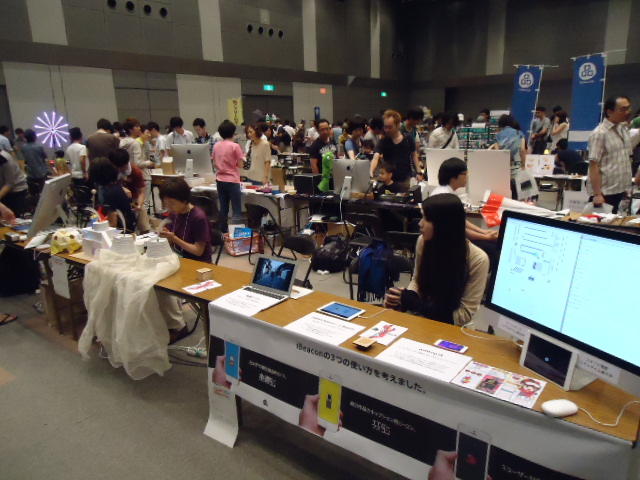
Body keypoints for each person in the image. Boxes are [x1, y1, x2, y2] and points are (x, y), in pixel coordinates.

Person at [384, 194, 489, 326]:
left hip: (452, 327)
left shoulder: (478, 260)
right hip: (422, 316)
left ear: (443, 224)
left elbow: (464, 314)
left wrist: (416, 305)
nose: (420, 223)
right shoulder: (423, 241)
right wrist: (404, 298)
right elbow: (417, 280)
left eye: (426, 219)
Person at [432, 158, 498, 270]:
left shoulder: (444, 192)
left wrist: (484, 232)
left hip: (449, 239)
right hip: (449, 244)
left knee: (491, 243)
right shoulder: (447, 198)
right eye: (465, 174)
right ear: (454, 177)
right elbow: (460, 230)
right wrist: (486, 236)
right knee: (494, 249)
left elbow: (460, 221)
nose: (467, 177)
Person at [588, 96, 640, 212]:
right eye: (623, 109)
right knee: (599, 222)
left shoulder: (622, 129)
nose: (628, 112)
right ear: (609, 112)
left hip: (621, 190)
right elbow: (593, 165)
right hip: (605, 193)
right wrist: (597, 194)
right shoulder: (600, 133)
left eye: (629, 108)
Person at [158, 178, 212, 262]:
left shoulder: (198, 217)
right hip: (179, 258)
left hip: (198, 262)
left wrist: (174, 238)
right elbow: (171, 244)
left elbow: (198, 251)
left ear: (184, 200)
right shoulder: (174, 213)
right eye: (166, 203)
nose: (169, 207)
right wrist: (167, 236)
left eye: (172, 203)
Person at [370, 110, 422, 192]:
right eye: (385, 127)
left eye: (390, 127)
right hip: (388, 181)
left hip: (404, 180)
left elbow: (414, 155)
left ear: (398, 125)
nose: (387, 130)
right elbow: (375, 157)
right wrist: (371, 171)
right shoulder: (383, 141)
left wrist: (419, 172)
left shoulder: (408, 139)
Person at [213, 120, 245, 233]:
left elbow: (214, 162)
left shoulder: (216, 146)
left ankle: (223, 233)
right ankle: (237, 235)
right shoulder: (235, 146)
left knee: (223, 208)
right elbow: (241, 165)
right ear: (233, 132)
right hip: (232, 180)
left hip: (220, 180)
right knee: (236, 210)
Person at [108, 148, 150, 233]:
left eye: (122, 167)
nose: (120, 170)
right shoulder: (110, 171)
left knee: (142, 216)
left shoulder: (135, 171)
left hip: (133, 200)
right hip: (115, 200)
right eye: (117, 167)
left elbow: (141, 192)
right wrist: (121, 189)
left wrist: (139, 204)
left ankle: (145, 234)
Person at [90, 157, 136, 233]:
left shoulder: (108, 193)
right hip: (128, 225)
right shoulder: (114, 186)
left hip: (121, 232)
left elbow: (112, 224)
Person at [491, 114, 526, 198]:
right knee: (519, 191)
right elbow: (522, 150)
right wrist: (523, 165)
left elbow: (497, 152)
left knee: (504, 193)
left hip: (503, 168)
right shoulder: (519, 133)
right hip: (516, 167)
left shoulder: (497, 135)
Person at [22, 129, 49, 198]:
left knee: (33, 193)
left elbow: (25, 159)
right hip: (41, 172)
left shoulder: (24, 147)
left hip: (30, 173)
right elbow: (45, 157)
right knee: (43, 192)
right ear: (34, 136)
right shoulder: (39, 146)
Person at [0, 150, 28, 217]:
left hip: (16, 191)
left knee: (14, 217)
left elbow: (9, 184)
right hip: (3, 189)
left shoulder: (4, 158)